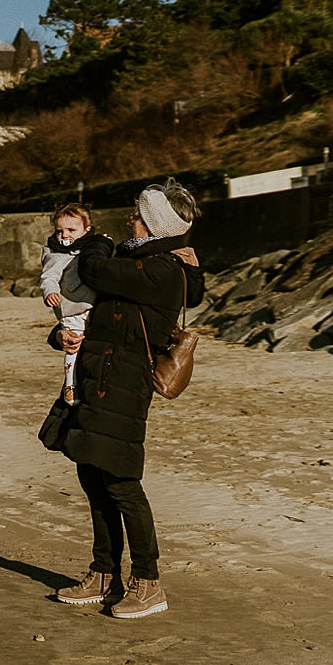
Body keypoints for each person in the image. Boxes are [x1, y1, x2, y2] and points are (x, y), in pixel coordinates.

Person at [49, 179, 205, 618]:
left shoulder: (160, 271)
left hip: (125, 387)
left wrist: (96, 239)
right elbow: (89, 309)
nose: (128, 222)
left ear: (156, 225)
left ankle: (149, 582)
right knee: (92, 476)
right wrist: (59, 334)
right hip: (94, 380)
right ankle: (103, 574)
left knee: (121, 483)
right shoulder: (138, 261)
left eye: (136, 216)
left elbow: (94, 272)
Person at [40, 203, 98, 405]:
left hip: (91, 306)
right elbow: (48, 277)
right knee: (72, 346)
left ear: (86, 230)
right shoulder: (56, 254)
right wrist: (51, 292)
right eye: (59, 231)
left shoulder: (93, 248)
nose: (64, 236)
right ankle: (70, 385)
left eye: (71, 230)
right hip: (71, 309)